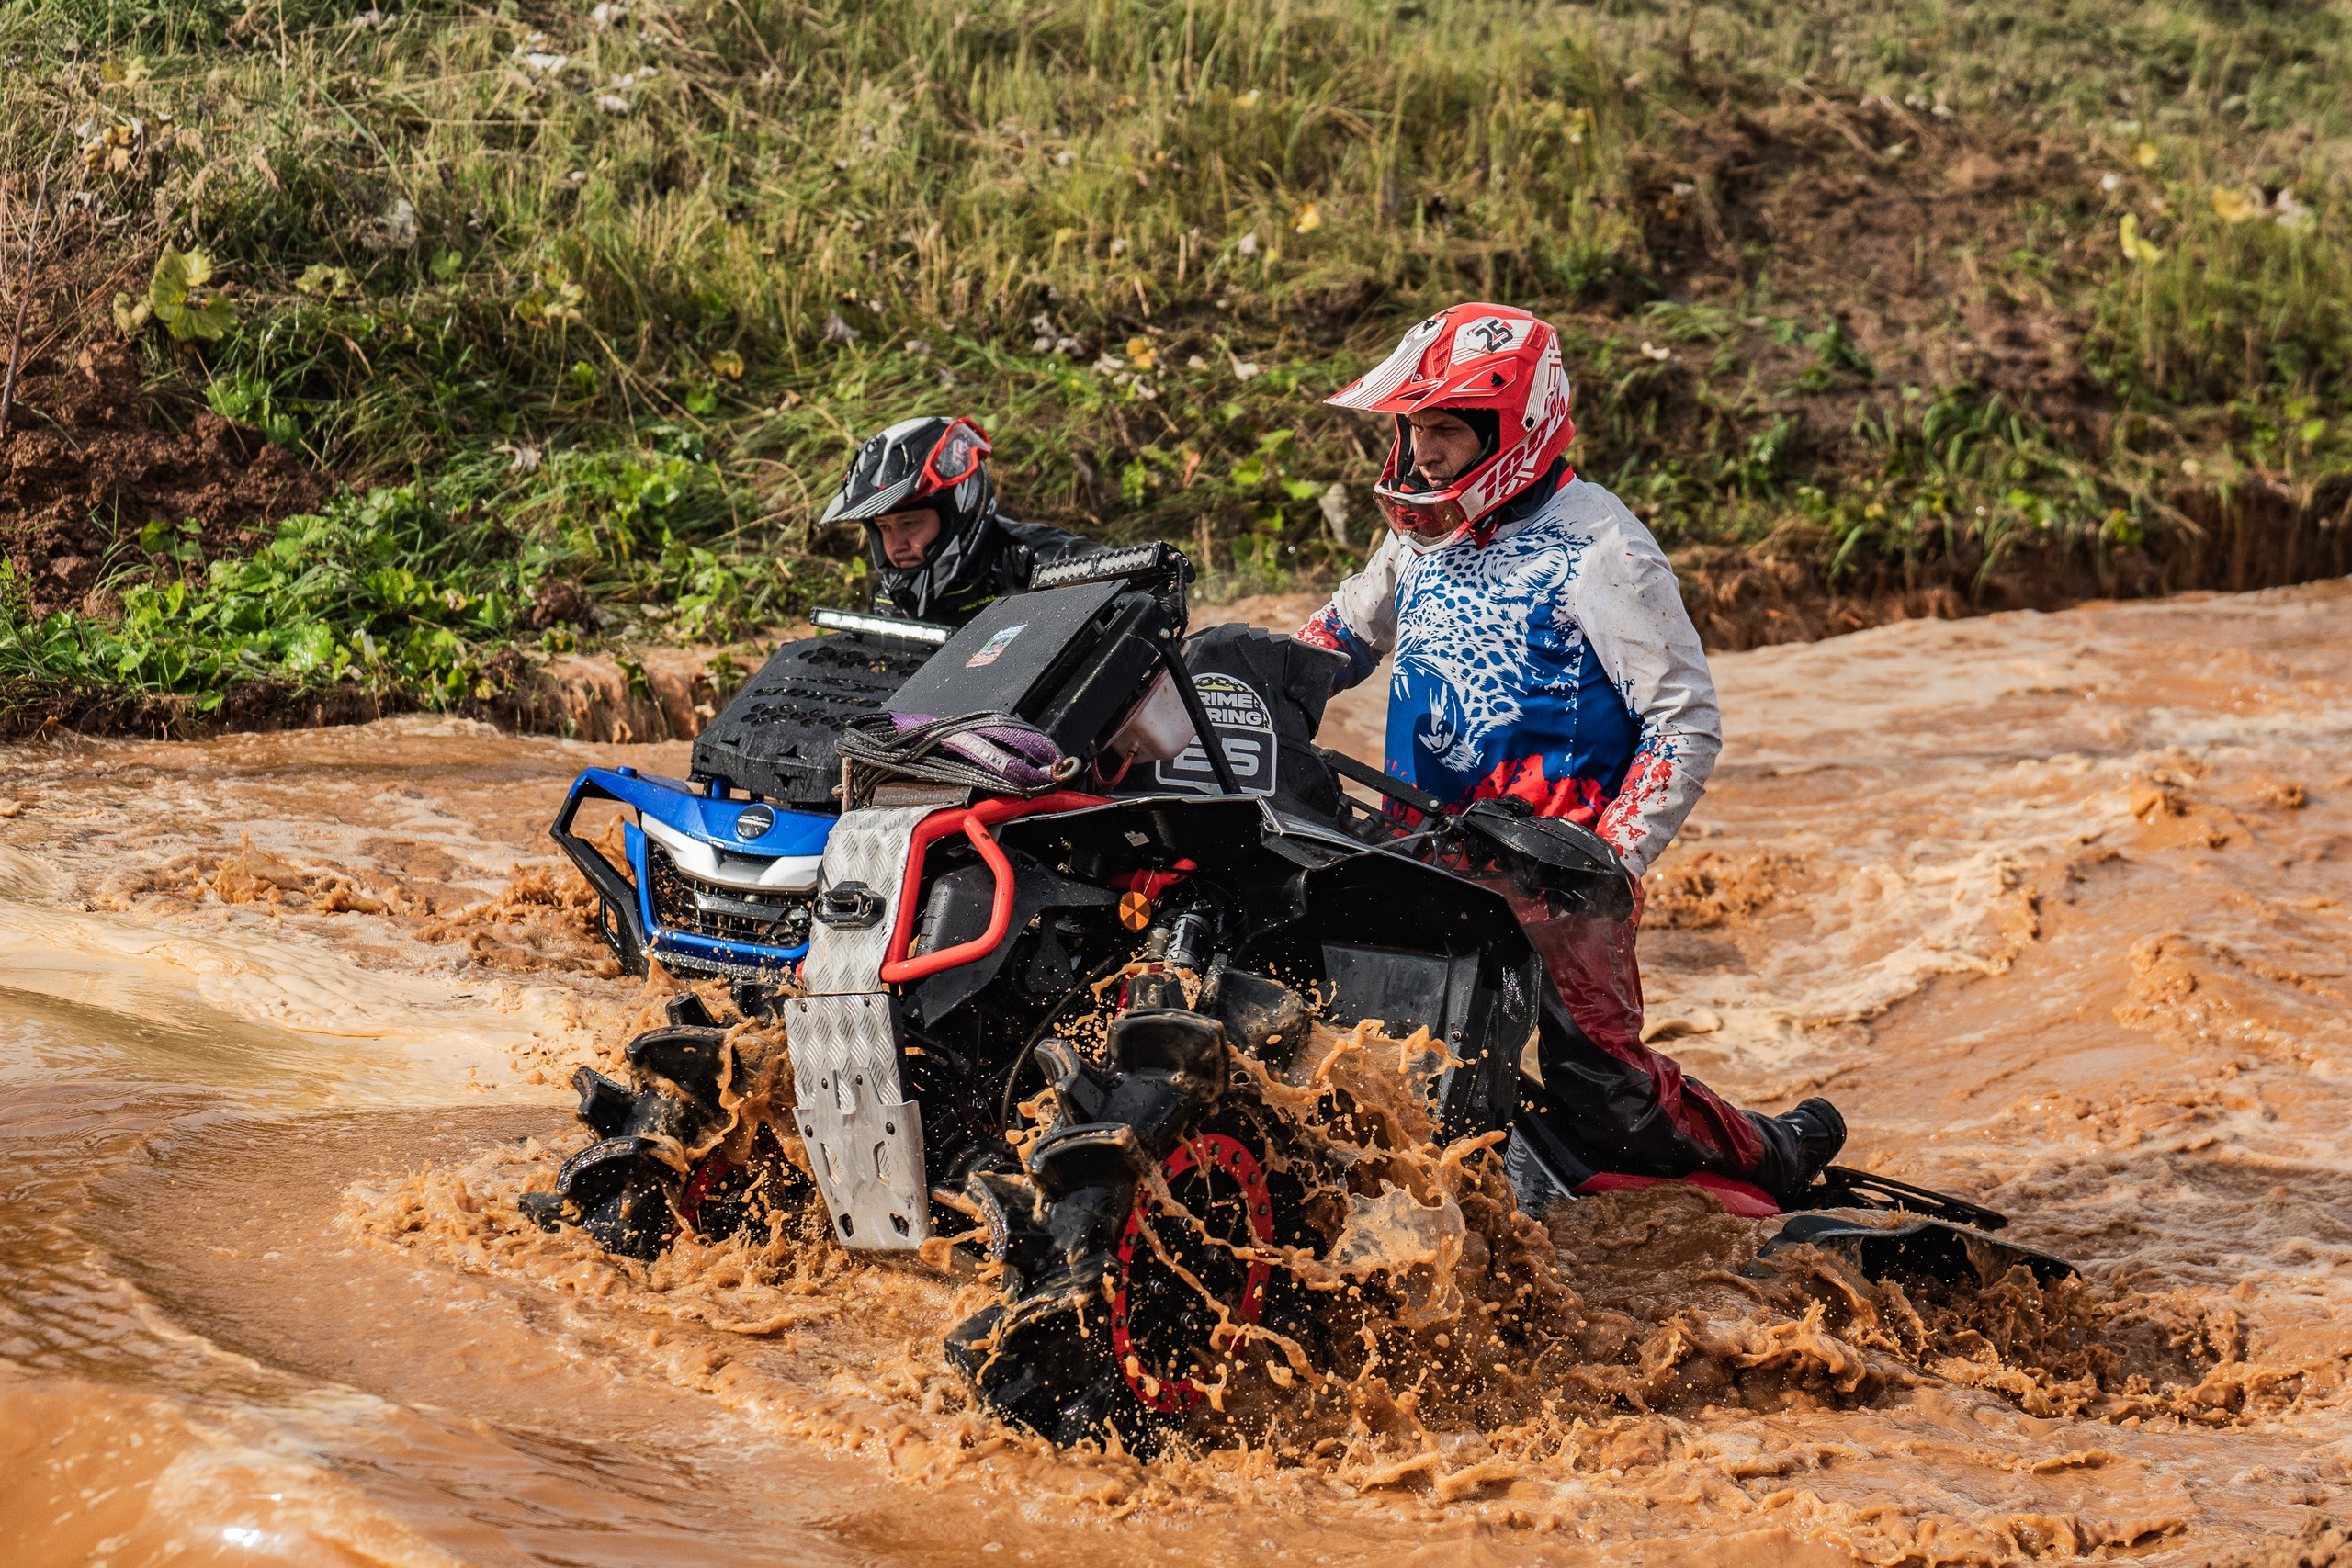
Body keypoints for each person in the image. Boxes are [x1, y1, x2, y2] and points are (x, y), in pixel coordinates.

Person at [1296, 303, 1846, 1206]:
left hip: (1555, 870)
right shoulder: (1418, 535)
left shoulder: (1601, 547)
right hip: (1420, 853)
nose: (1420, 454)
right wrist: (1256, 677)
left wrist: (1608, 858)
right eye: (1411, 429)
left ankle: (1771, 1149)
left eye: (1441, 431)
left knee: (1607, 1094)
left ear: (1511, 431)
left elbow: (1682, 725)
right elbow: (1341, 633)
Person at [819, 415, 1095, 628]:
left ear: (957, 511)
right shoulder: (890, 599)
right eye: (884, 528)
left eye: (910, 524)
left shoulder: (1036, 559)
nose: (896, 545)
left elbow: (1128, 591)